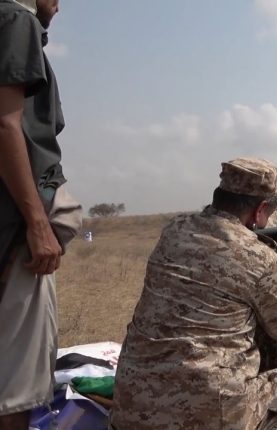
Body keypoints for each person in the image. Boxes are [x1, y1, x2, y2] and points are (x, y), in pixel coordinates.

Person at [110, 158, 277, 430]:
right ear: (260, 210)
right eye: (270, 210)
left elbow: (234, 220)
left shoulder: (174, 231)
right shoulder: (257, 256)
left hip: (132, 406)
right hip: (211, 413)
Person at [0, 1, 82, 429]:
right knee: (14, 387)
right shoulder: (16, 20)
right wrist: (36, 224)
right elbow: (4, 124)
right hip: (15, 235)